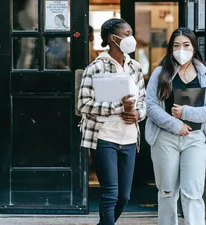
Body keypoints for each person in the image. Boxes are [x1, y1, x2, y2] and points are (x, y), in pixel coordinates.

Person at [145, 27, 206, 225]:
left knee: (193, 192)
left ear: (194, 47)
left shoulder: (205, 74)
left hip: (195, 139)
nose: (181, 49)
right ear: (170, 48)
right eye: (176, 45)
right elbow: (151, 106)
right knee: (167, 192)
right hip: (165, 138)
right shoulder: (160, 72)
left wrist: (185, 113)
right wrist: (175, 124)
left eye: (186, 45)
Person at [78, 18, 146, 225]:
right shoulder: (96, 67)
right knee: (110, 194)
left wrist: (137, 114)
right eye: (126, 34)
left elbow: (143, 101)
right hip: (104, 137)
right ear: (112, 38)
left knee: (124, 197)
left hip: (129, 139)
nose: (131, 38)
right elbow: (83, 104)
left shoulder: (135, 67)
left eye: (131, 33)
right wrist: (119, 107)